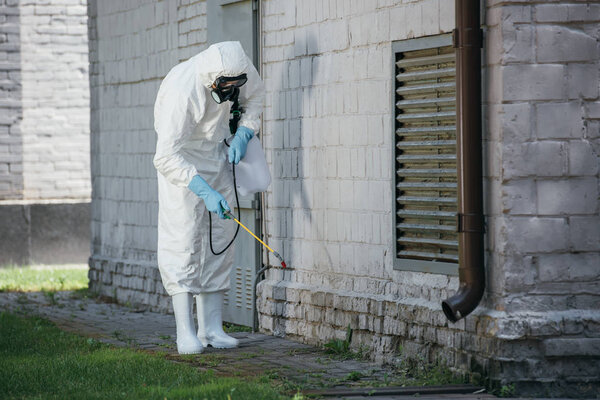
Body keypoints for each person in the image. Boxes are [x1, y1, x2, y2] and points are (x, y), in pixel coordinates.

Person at [153, 41, 265, 354]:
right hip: (183, 161)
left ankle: (212, 329)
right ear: (211, 80)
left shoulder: (241, 68)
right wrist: (203, 189)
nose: (230, 90)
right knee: (185, 239)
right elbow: (164, 156)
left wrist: (245, 131)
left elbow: (256, 98)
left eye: (234, 86)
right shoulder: (183, 89)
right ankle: (185, 332)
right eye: (225, 86)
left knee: (221, 233)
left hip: (217, 153)